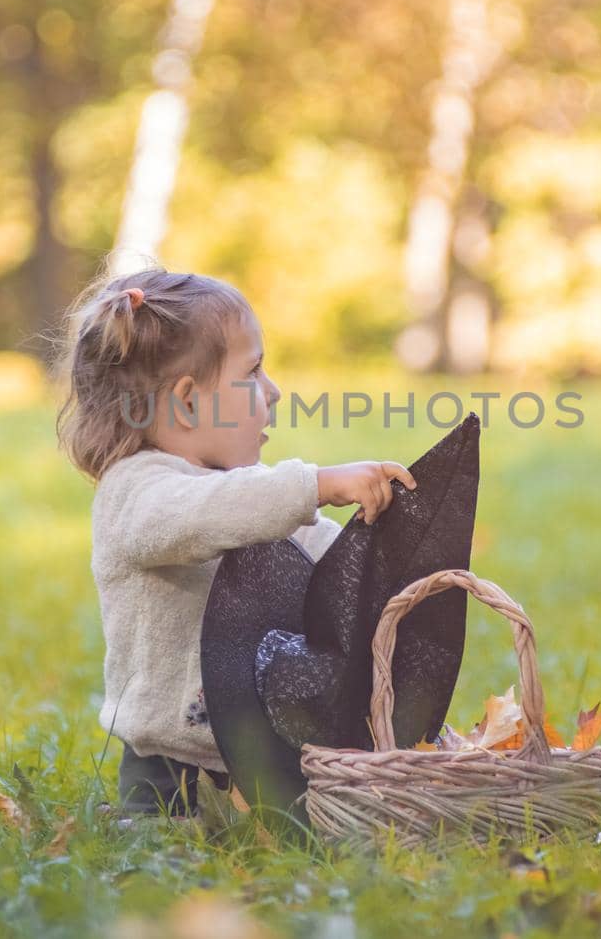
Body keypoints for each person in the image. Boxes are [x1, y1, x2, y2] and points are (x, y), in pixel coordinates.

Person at [54, 264, 416, 818]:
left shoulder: (245, 498)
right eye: (252, 373)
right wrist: (315, 484)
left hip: (264, 763)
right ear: (187, 401)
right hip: (170, 776)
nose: (272, 391)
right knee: (166, 860)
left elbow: (318, 552)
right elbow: (202, 514)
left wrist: (387, 560)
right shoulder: (136, 491)